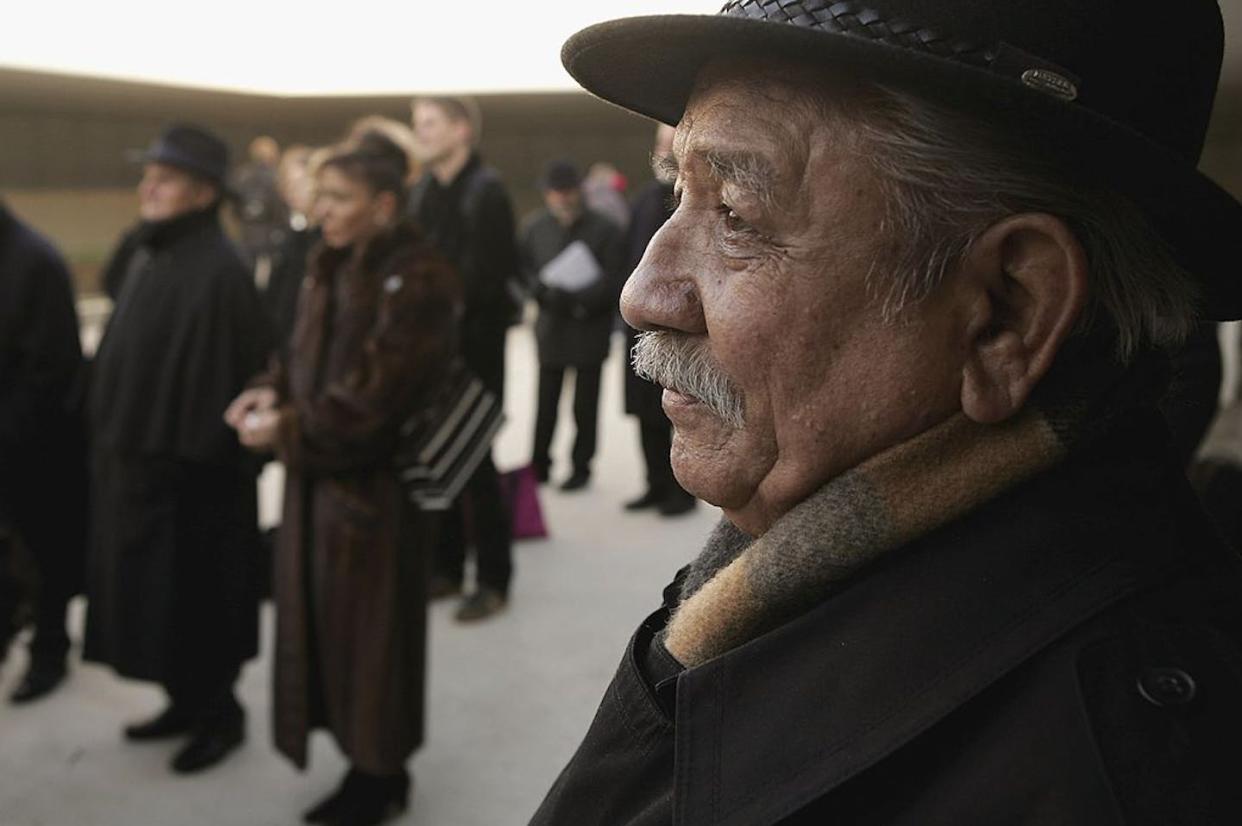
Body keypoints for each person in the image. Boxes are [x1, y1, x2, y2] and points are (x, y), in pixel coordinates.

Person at [533, 1, 1242, 823]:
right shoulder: (795, 567)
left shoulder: (1118, 782)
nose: (643, 295)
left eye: (734, 214)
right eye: (679, 196)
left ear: (1007, 312)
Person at [226, 131, 459, 826]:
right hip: (318, 489)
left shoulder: (418, 276)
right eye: (318, 194)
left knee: (373, 643)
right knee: (329, 633)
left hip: (375, 498)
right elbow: (298, 356)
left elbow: (373, 405)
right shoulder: (328, 262)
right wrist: (269, 390)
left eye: (338, 197)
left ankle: (380, 775)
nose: (319, 208)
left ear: (384, 204)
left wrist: (286, 431)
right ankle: (364, 762)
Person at [84, 124, 270, 774]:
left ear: (202, 192)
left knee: (195, 605)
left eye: (163, 178)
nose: (148, 187)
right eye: (150, 175)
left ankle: (219, 716)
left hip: (191, 488)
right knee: (155, 609)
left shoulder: (220, 271)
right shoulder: (153, 251)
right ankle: (183, 703)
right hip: (138, 473)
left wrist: (181, 467)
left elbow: (227, 382)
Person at [409, 96, 518, 622]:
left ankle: (494, 579)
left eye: (429, 123)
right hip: (432, 351)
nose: (420, 133)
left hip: (474, 350)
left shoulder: (487, 191)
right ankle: (447, 569)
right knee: (437, 459)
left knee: (475, 463)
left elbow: (487, 281)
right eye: (417, 124)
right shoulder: (425, 190)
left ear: (460, 131)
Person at [0, 202, 88, 703]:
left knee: (45, 555)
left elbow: (51, 372)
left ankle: (49, 651)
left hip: (35, 447)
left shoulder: (35, 262)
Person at [521, 160, 625, 491]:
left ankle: (581, 466)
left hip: (588, 328)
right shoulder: (535, 228)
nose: (560, 198)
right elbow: (523, 271)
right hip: (551, 327)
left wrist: (582, 299)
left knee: (585, 404)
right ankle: (539, 464)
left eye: (566, 191)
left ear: (579, 191)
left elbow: (615, 279)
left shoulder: (606, 229)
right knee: (545, 400)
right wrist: (541, 292)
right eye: (554, 192)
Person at [622, 126, 695, 517]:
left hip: (672, 329)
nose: (664, 152)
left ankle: (679, 493)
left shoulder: (688, 204)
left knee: (674, 410)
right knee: (643, 412)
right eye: (660, 145)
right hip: (636, 330)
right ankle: (653, 483)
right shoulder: (642, 199)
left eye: (672, 144)